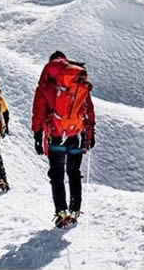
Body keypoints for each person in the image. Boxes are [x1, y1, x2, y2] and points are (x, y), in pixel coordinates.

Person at [32, 50, 96, 228]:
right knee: (74, 173)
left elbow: (38, 113)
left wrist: (37, 135)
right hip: (76, 134)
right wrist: (91, 133)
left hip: (55, 135)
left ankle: (61, 212)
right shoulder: (78, 81)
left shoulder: (46, 85)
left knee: (57, 175)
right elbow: (88, 109)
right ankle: (75, 210)